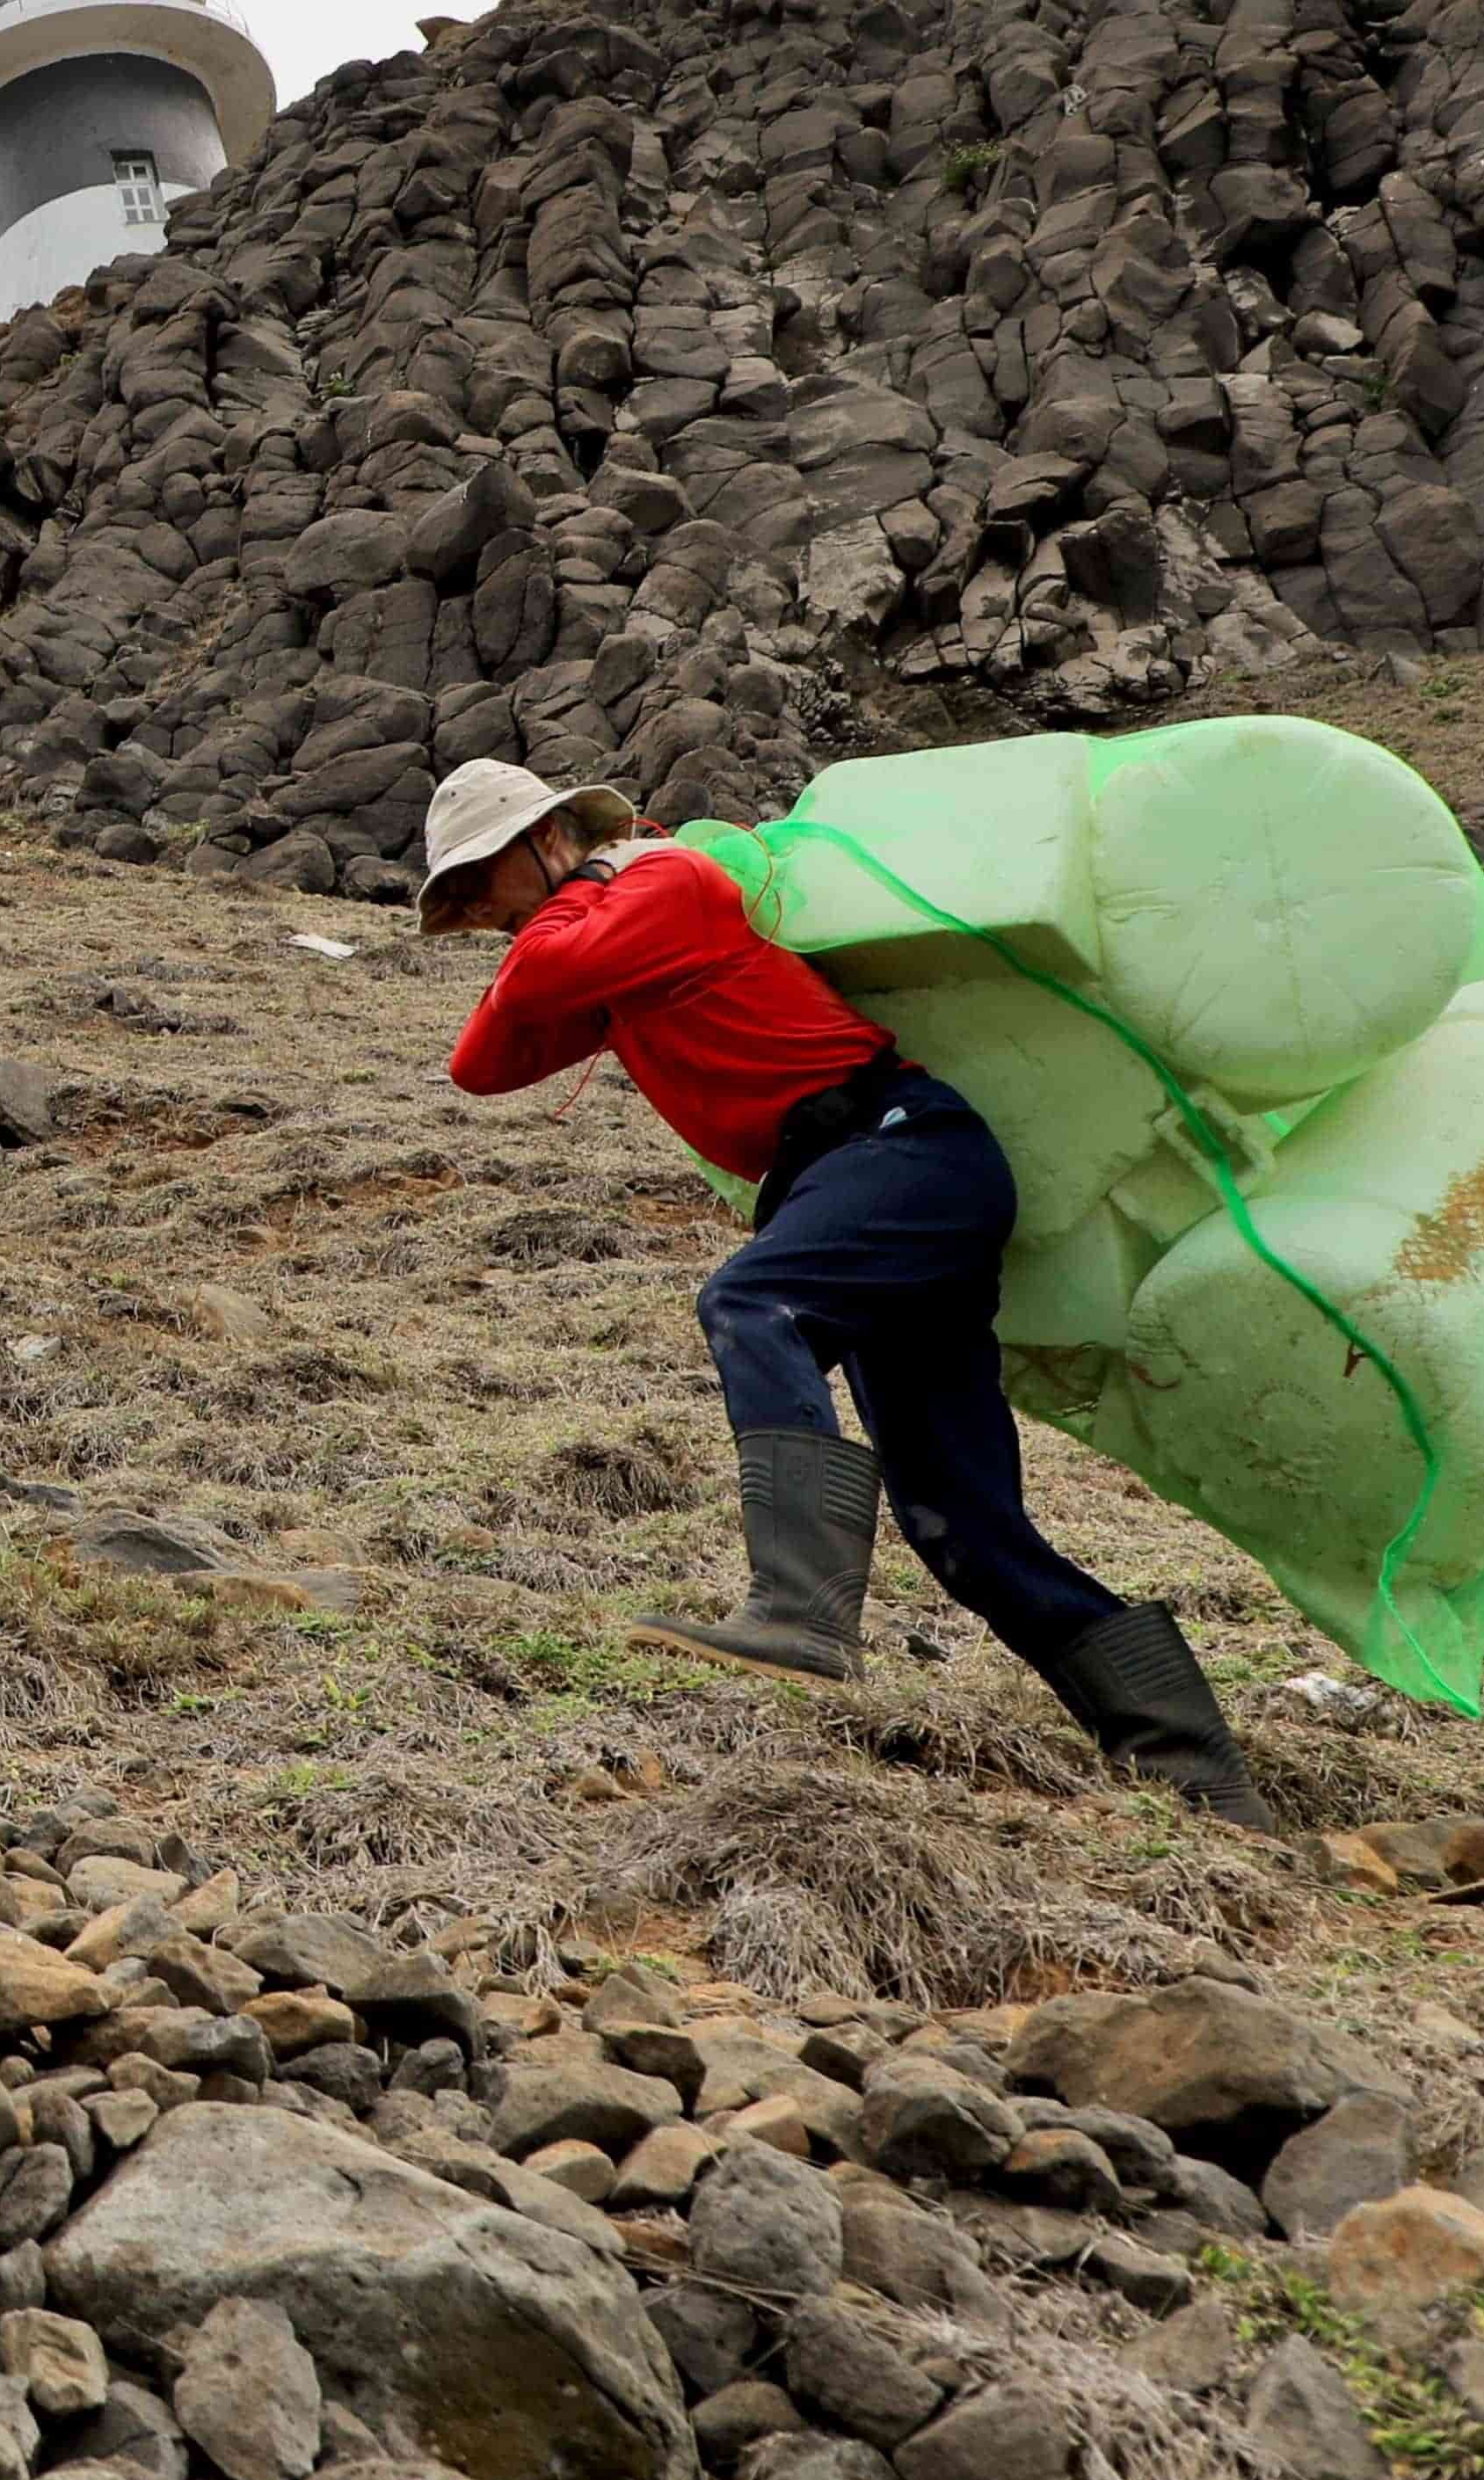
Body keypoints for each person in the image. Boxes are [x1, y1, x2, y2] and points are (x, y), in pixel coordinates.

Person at [419, 757, 1269, 1832]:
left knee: (753, 1304)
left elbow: (538, 979)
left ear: (547, 840)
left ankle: (801, 1615)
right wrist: (553, 919)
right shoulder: (613, 942)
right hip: (863, 1181)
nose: (484, 915)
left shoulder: (668, 882)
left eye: (484, 882)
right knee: (959, 1524)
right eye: (464, 899)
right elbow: (479, 1064)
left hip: (904, 1149)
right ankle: (1196, 1769)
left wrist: (580, 886)